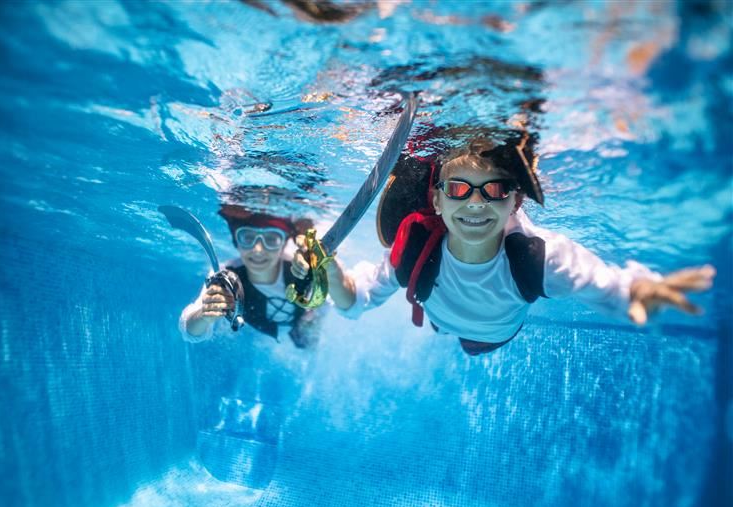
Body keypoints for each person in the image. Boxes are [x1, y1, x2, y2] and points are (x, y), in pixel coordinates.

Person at [291, 131, 716, 355]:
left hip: (498, 333)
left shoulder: (535, 256)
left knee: (476, 345)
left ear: (514, 202)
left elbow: (608, 286)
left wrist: (641, 291)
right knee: (446, 327)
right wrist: (327, 267)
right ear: (436, 200)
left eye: (493, 190)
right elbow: (355, 300)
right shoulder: (416, 244)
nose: (476, 203)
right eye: (459, 189)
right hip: (443, 319)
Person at [180, 204, 321, 349]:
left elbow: (342, 300)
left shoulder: (300, 266)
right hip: (261, 324)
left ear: (283, 244)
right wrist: (203, 315)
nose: (258, 250)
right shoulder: (225, 276)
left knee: (307, 342)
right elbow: (189, 331)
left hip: (301, 319)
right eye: (247, 238)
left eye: (271, 239)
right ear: (236, 241)